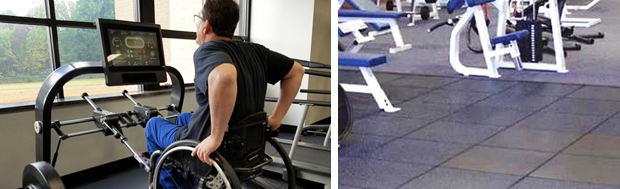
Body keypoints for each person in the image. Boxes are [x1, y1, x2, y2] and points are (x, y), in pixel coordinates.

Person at [144, 0, 305, 188]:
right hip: (245, 146)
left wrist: (215, 137)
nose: (196, 24)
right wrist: (277, 117)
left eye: (197, 19)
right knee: (185, 117)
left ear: (206, 25)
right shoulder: (255, 50)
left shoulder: (206, 50)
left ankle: (175, 184)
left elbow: (225, 76)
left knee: (152, 125)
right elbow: (296, 71)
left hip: (216, 145)